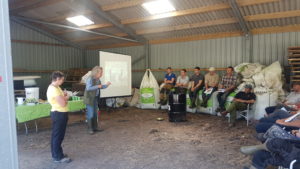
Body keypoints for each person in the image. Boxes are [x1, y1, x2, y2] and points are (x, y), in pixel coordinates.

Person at [47, 71, 71, 163]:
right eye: (62, 79)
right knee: (58, 136)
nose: (62, 81)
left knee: (56, 136)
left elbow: (61, 99)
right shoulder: (53, 89)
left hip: (59, 113)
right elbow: (63, 103)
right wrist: (67, 97)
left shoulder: (56, 87)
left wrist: (64, 96)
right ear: (57, 79)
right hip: (59, 114)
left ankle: (57, 154)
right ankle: (58, 157)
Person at [83, 66, 111, 135]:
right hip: (89, 99)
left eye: (102, 72)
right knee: (90, 114)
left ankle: (95, 127)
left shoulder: (98, 79)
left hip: (95, 98)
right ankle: (90, 129)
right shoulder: (90, 78)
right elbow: (89, 88)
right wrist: (98, 86)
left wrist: (106, 85)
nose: (102, 74)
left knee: (95, 114)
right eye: (101, 73)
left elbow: (101, 86)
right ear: (96, 72)